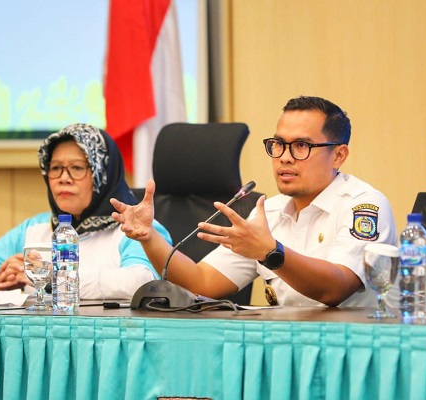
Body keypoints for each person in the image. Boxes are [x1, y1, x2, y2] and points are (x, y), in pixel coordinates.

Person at [110, 96, 397, 307]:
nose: (284, 157)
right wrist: (148, 238)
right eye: (278, 144)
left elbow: (336, 288)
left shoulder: (364, 205)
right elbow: (202, 281)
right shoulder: (268, 212)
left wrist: (272, 253)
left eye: (301, 146)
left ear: (338, 155)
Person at [0, 123, 170, 299]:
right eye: (55, 168)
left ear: (102, 175)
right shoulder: (36, 228)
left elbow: (142, 282)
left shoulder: (138, 230)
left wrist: (48, 278)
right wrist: (5, 282)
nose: (64, 178)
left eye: (77, 168)